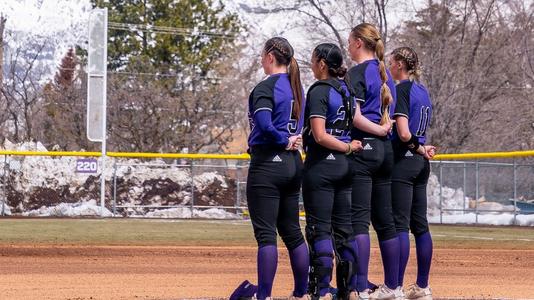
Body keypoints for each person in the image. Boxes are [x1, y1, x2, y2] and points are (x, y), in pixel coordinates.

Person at [230, 37, 309, 300]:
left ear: (271, 57)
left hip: (268, 163)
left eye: (263, 55)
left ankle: (263, 296)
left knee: (266, 235)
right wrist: (290, 140)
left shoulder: (267, 87)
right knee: (292, 231)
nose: (261, 59)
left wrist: (283, 140)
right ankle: (301, 293)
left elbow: (264, 123)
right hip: (293, 164)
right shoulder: (297, 87)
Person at [346, 23, 402, 300]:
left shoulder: (356, 72)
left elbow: (355, 117)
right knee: (385, 221)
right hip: (385, 152)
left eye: (349, 41)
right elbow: (388, 114)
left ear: (358, 43)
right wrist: (383, 130)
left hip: (365, 148)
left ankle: (358, 287)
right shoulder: (385, 74)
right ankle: (393, 287)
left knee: (358, 221)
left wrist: (378, 129)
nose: (347, 46)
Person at [302, 43, 362, 300]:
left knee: (319, 229)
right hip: (345, 169)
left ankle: (322, 291)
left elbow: (320, 135)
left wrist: (346, 147)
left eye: (314, 60)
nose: (312, 64)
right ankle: (348, 291)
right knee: (344, 232)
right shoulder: (347, 89)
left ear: (323, 64)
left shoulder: (319, 90)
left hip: (323, 167)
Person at [389, 46, 436, 300]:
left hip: (404, 161)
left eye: (391, 62)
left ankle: (395, 287)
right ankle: (422, 286)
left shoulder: (402, 89)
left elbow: (405, 133)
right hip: (420, 164)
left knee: (400, 225)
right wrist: (421, 148)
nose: (389, 66)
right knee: (420, 226)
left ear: (399, 65)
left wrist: (416, 146)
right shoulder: (423, 91)